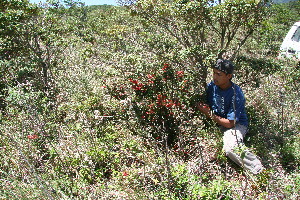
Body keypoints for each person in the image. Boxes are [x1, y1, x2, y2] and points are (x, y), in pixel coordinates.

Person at [197, 59, 264, 175]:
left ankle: (257, 169)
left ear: (229, 76)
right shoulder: (212, 86)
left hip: (236, 125)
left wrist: (208, 113)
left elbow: (230, 123)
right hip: (219, 122)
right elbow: (208, 102)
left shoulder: (236, 94)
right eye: (213, 73)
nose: (215, 77)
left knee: (230, 148)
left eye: (219, 74)